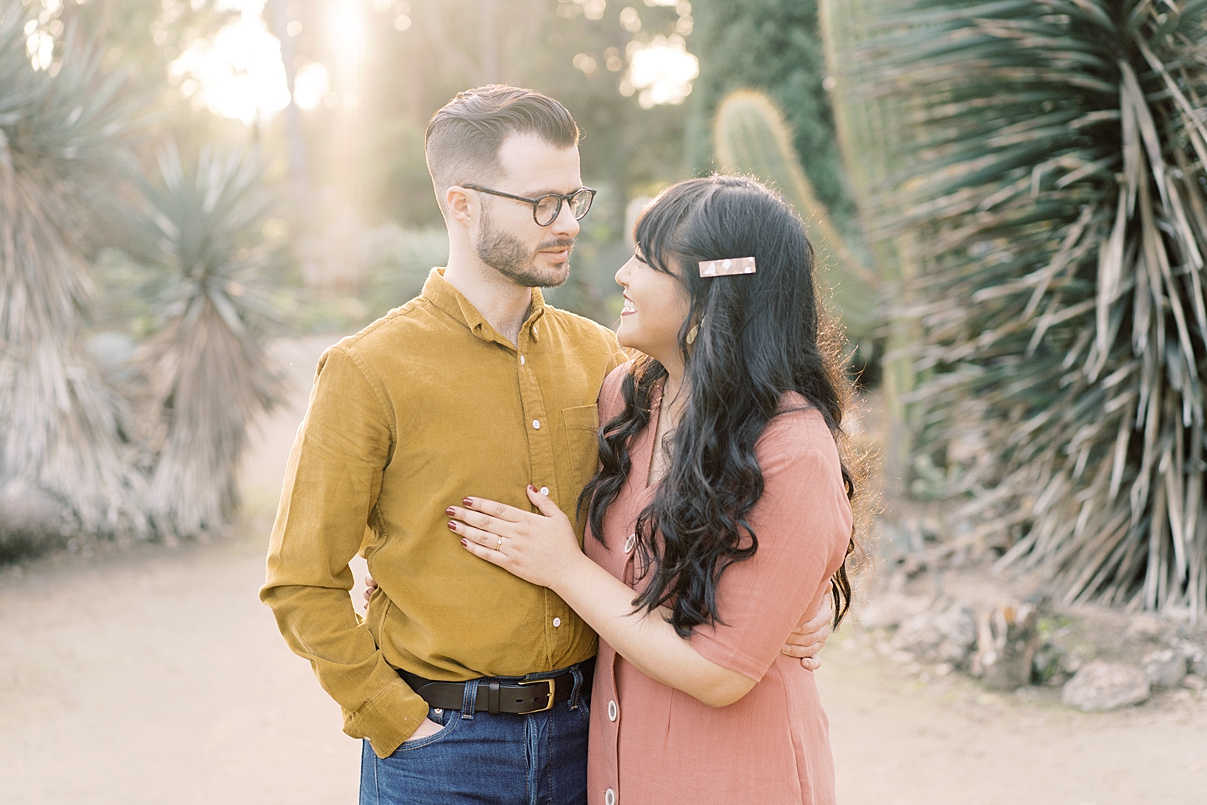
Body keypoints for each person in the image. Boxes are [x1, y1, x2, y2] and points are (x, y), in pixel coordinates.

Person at [261, 85, 832, 805]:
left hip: (589, 741)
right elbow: (299, 577)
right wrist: (391, 716)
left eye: (573, 199)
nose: (566, 223)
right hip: (440, 752)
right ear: (461, 204)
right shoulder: (367, 370)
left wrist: (808, 601)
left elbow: (763, 469)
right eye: (541, 203)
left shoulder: (610, 366)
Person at [448, 175, 858, 805]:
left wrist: (562, 568)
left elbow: (719, 673)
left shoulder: (791, 448)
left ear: (711, 289)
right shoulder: (627, 397)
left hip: (737, 780)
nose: (621, 274)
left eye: (644, 259)